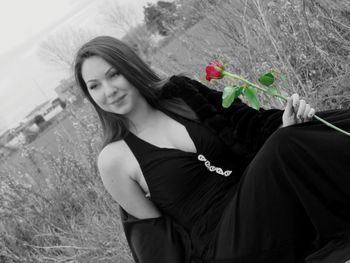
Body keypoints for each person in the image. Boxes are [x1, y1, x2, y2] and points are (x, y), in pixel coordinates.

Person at [74, 36, 350, 263]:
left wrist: (285, 123)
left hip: (264, 209)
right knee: (285, 142)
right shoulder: (114, 159)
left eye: (114, 75)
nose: (108, 91)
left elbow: (251, 125)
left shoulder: (181, 95)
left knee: (309, 127)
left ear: (130, 68)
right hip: (224, 247)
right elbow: (155, 242)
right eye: (95, 86)